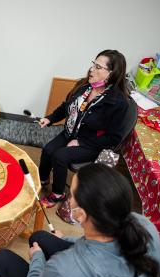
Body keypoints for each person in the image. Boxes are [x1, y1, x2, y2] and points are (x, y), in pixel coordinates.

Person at [0, 164, 160, 277]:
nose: (69, 199)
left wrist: (38, 259)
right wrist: (65, 239)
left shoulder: (63, 272)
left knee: (2, 258)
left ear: (81, 214)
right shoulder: (143, 225)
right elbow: (100, 244)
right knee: (39, 237)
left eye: (71, 195)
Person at [38, 49, 129, 207]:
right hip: (71, 132)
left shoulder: (118, 103)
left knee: (60, 156)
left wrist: (82, 143)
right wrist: (50, 118)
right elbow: (66, 107)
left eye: (98, 67)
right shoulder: (84, 86)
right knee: (47, 149)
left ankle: (58, 194)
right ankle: (43, 180)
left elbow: (113, 139)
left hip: (92, 142)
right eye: (93, 64)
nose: (92, 69)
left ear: (111, 73)